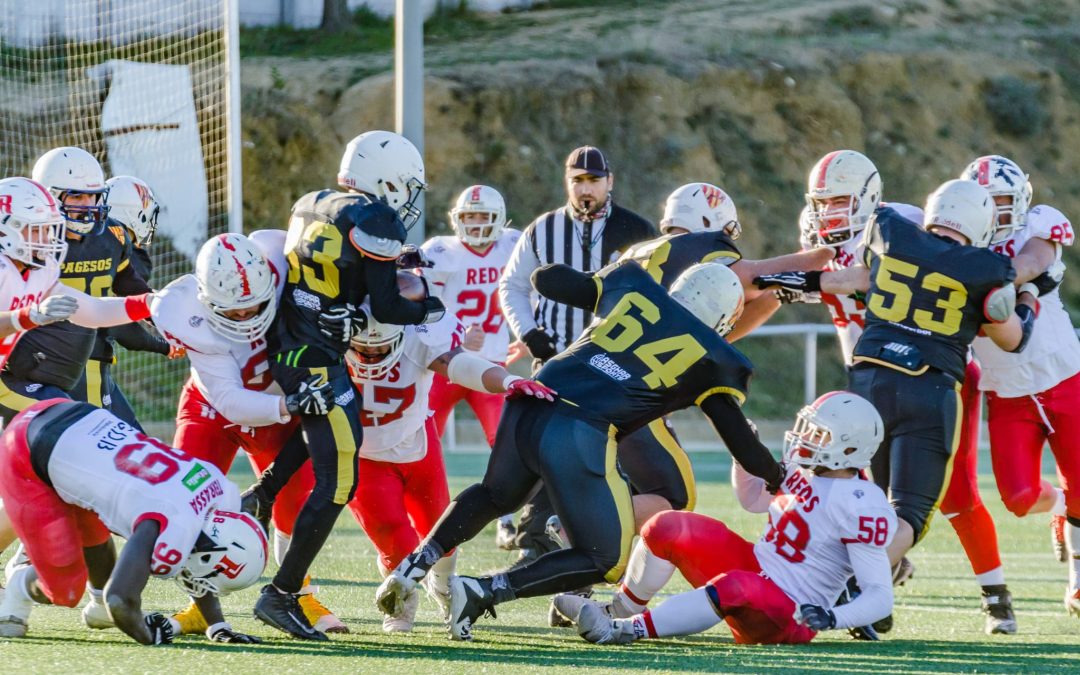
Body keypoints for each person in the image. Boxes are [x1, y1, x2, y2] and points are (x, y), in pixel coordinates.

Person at [377, 260, 785, 641]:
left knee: (495, 494)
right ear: (725, 319)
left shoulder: (635, 285)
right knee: (603, 558)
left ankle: (415, 563)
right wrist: (778, 475)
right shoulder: (717, 358)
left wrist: (601, 282)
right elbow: (745, 449)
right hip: (580, 427)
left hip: (537, 395)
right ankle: (484, 590)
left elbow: (545, 279)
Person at [755, 180, 1039, 614]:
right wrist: (1028, 298)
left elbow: (852, 279)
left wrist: (776, 279)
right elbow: (1012, 340)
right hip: (928, 387)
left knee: (869, 497)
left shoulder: (891, 232)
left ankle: (821, 580)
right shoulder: (987, 268)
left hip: (867, 384)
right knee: (910, 513)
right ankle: (839, 589)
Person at [251, 129, 445, 641]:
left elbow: (334, 273)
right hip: (317, 357)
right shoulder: (375, 217)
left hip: (292, 343)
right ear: (387, 180)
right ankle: (281, 593)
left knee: (334, 433)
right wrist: (426, 307)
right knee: (340, 480)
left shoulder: (310, 201)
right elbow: (386, 306)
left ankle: (263, 492)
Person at [554, 391, 894, 645]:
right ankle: (617, 611)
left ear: (850, 449)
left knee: (738, 585)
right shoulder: (805, 472)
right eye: (808, 428)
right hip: (757, 568)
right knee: (667, 525)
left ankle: (625, 631)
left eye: (819, 434)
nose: (805, 437)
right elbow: (751, 499)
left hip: (790, 612)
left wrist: (833, 617)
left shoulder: (861, 502)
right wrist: (742, 453)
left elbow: (880, 596)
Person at [150, 231, 343, 635]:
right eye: (233, 310)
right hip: (214, 408)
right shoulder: (185, 309)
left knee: (296, 504)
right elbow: (229, 399)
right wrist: (287, 406)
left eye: (254, 304)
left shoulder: (278, 254)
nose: (246, 316)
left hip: (275, 405)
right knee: (187, 500)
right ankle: (200, 604)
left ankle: (297, 595)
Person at [343, 274, 554, 632]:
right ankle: (402, 599)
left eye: (380, 347)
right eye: (363, 348)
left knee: (440, 530)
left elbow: (461, 365)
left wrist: (507, 380)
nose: (372, 355)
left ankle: (442, 587)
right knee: (392, 536)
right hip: (362, 453)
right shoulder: (330, 339)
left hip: (417, 445)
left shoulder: (418, 336)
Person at [496, 145, 656, 563]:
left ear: (610, 182)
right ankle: (534, 544)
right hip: (556, 365)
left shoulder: (638, 230)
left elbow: (657, 299)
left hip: (616, 369)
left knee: (620, 463)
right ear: (567, 183)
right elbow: (511, 286)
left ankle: (612, 547)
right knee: (546, 455)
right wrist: (530, 333)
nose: (586, 189)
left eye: (593, 180)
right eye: (578, 180)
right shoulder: (542, 229)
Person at [0, 399, 266, 645]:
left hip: (81, 418)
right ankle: (17, 589)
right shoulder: (166, 521)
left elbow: (198, 545)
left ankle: (97, 609)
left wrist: (217, 624)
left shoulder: (221, 492)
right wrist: (149, 635)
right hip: (27, 447)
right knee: (65, 588)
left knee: (95, 534)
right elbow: (120, 600)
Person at [0, 176, 160, 568]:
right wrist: (26, 317)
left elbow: (88, 309)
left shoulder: (38, 266)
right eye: (35, 228)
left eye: (48, 227)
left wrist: (152, 303)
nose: (46, 237)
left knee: (41, 466)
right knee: (60, 434)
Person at [960, 155, 1080, 615]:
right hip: (1006, 392)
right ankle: (1059, 509)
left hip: (1065, 377)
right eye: (986, 203)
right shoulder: (959, 247)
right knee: (1018, 497)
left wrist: (984, 275)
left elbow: (1031, 260)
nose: (996, 212)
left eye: (1003, 201)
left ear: (1022, 199)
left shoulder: (1039, 222)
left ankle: (1076, 583)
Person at [422, 185, 522, 549]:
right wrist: (455, 336)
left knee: (507, 441)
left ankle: (507, 520)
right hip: (447, 363)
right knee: (422, 439)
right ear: (457, 220)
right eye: (470, 217)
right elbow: (419, 307)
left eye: (484, 217)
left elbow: (530, 291)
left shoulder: (514, 244)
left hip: (490, 363)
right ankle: (428, 519)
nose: (477, 224)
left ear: (499, 220)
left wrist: (527, 332)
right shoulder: (439, 253)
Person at [68, 174, 178, 424]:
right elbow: (118, 324)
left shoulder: (100, 240)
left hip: (77, 358)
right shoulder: (112, 244)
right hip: (82, 361)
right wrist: (165, 342)